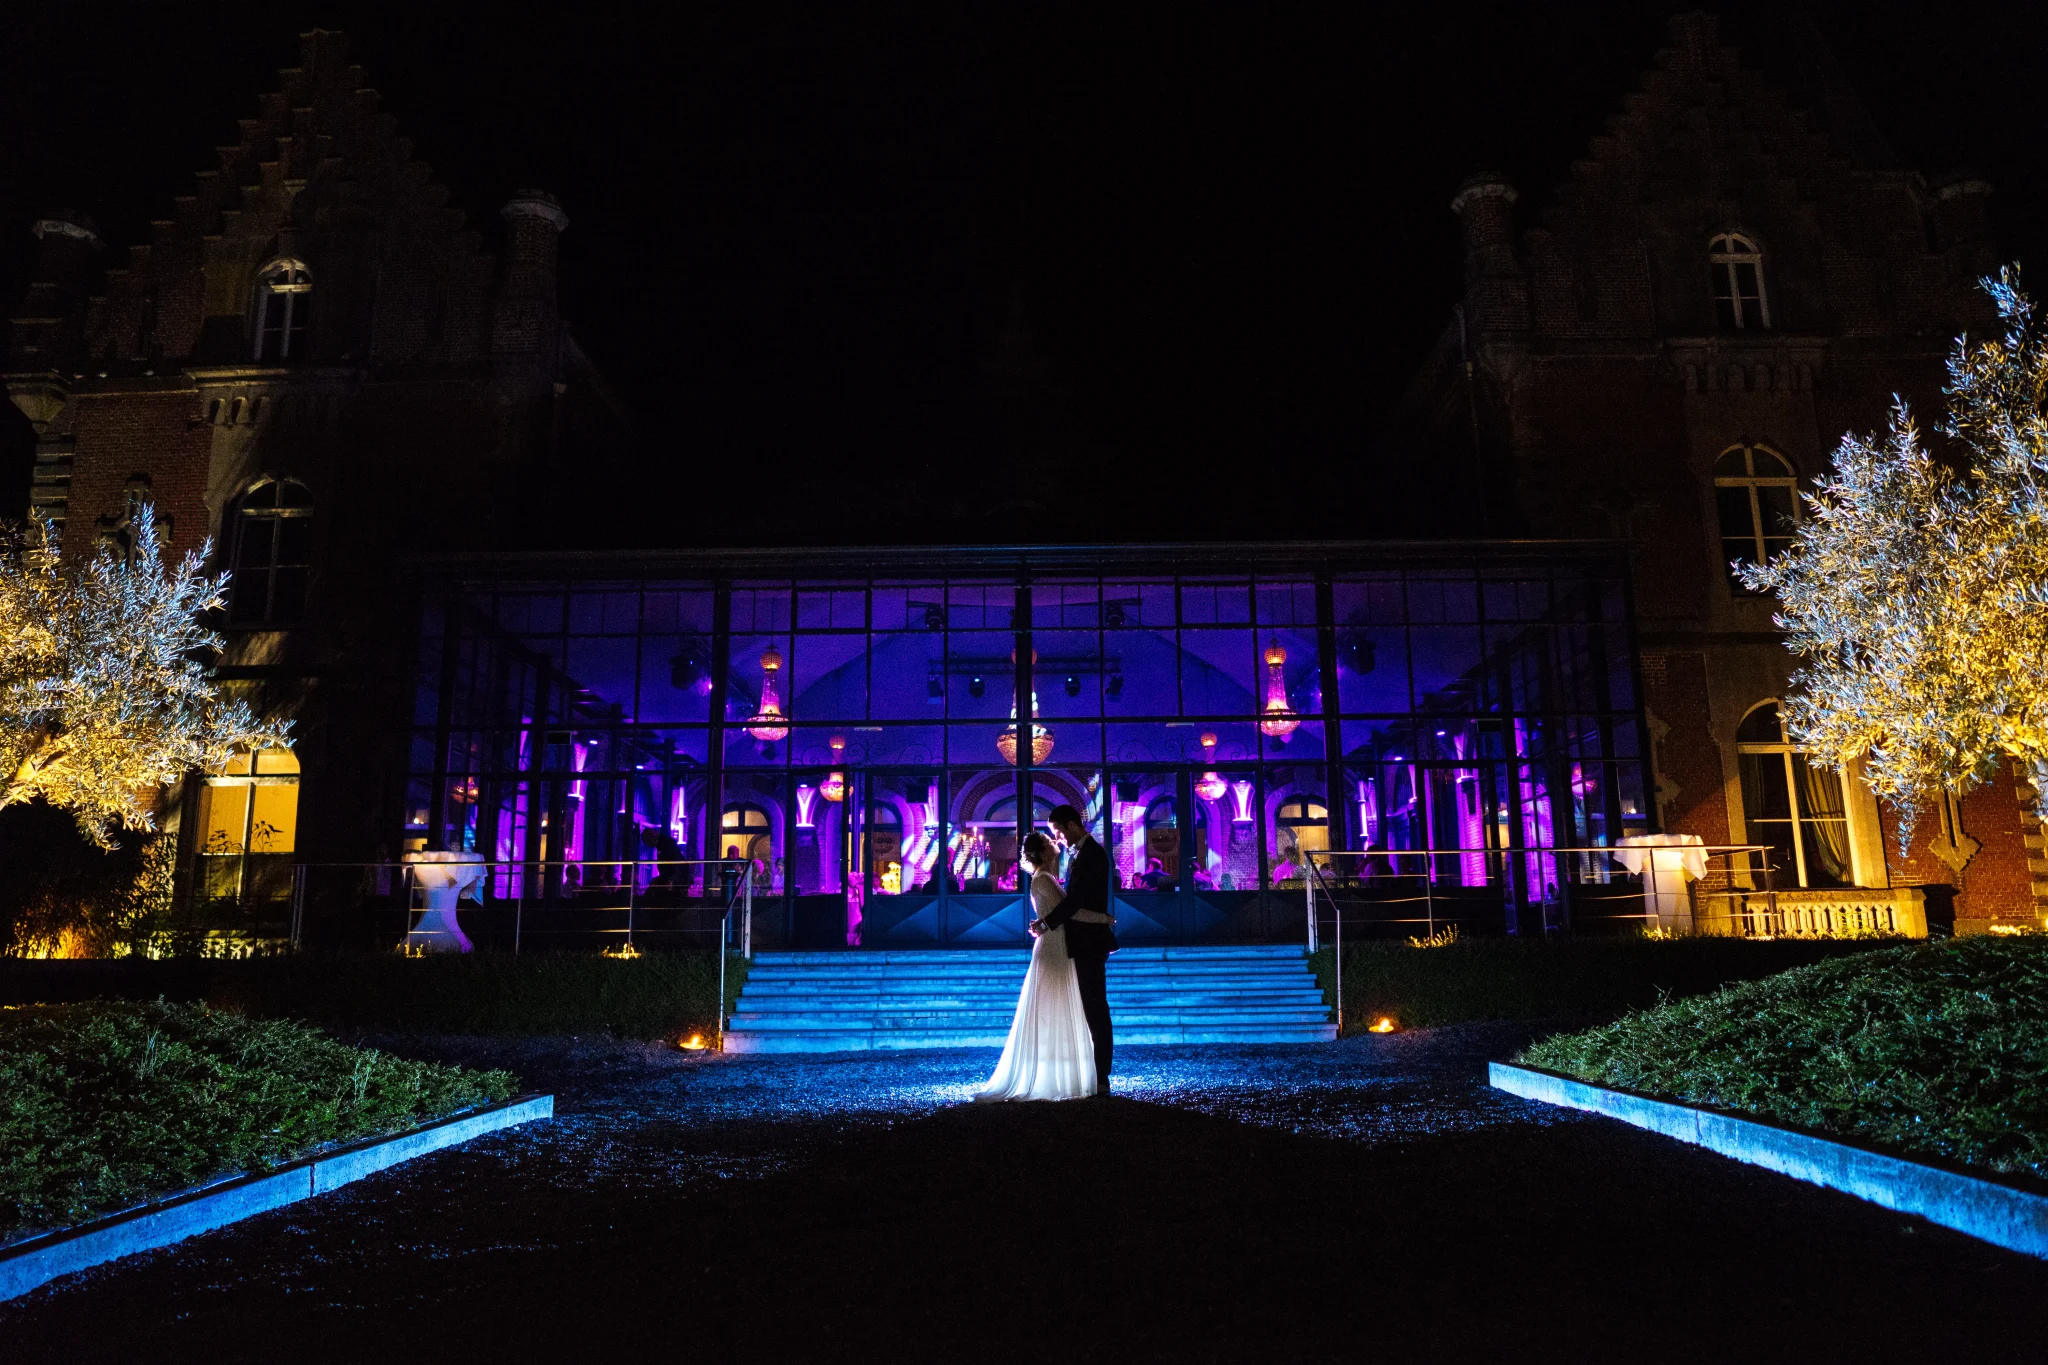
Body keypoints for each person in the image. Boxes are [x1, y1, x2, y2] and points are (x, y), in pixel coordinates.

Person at [975, 832, 1097, 1101]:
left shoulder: (1044, 877)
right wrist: (1104, 918)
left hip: (1055, 943)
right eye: (1048, 842)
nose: (1055, 843)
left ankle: (1057, 1073)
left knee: (1056, 1004)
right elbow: (1069, 911)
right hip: (1054, 946)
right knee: (1054, 1003)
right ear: (1041, 852)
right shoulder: (1044, 878)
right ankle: (1053, 1077)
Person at [1034, 803, 1118, 1095]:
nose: (1058, 837)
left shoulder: (1093, 854)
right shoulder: (1081, 853)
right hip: (1080, 940)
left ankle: (1102, 1076)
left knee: (1095, 1007)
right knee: (1089, 1007)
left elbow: (1075, 901)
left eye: (1058, 830)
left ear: (1071, 824)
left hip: (1089, 942)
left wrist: (1047, 924)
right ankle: (1093, 1073)